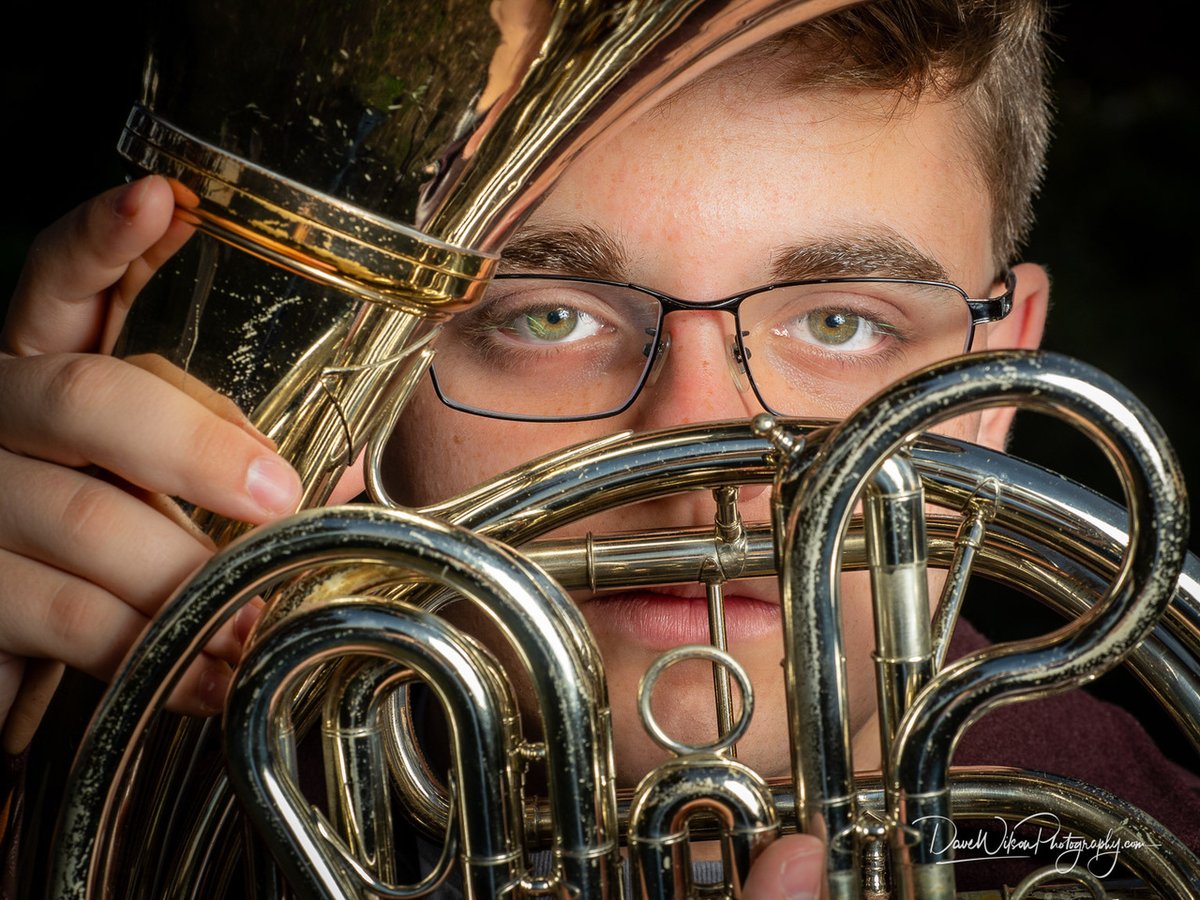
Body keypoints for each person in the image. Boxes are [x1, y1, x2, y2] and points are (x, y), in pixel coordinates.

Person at [0, 1, 1196, 896]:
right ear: (375, 380)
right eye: (547, 319)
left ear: (996, 387)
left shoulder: (1143, 854)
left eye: (841, 324)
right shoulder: (164, 804)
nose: (697, 452)